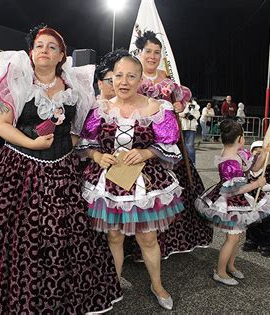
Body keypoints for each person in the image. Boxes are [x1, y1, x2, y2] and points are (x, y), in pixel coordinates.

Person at [0, 26, 122, 314]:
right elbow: (1, 125)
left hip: (62, 172)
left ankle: (60, 301)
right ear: (31, 53)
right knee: (14, 238)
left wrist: (66, 148)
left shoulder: (75, 88)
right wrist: (33, 143)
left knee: (62, 235)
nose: (44, 50)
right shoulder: (16, 82)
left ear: (61, 56)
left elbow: (77, 128)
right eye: (39, 46)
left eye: (52, 47)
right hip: (18, 168)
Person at [79, 52, 184, 310]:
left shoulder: (156, 108)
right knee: (113, 237)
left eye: (131, 76)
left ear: (140, 80)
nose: (124, 81)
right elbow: (86, 143)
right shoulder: (100, 108)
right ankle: (113, 283)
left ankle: (156, 284)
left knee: (148, 238)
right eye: (118, 76)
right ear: (111, 78)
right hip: (108, 183)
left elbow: (170, 145)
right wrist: (98, 155)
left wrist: (147, 152)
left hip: (145, 183)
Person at [134, 30, 213, 258]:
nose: (152, 56)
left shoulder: (167, 79)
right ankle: (140, 244)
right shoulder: (133, 75)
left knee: (175, 190)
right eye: (148, 51)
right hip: (141, 139)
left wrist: (179, 106)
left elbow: (180, 98)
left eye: (157, 52)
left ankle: (171, 242)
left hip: (170, 141)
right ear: (140, 52)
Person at [195, 120, 270, 286]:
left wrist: (264, 153)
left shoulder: (238, 152)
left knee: (236, 237)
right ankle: (220, 272)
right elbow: (234, 190)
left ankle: (231, 266)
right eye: (243, 135)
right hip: (228, 201)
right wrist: (256, 184)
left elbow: (253, 167)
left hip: (235, 201)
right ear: (240, 138)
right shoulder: (230, 161)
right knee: (232, 239)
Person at [243, 141, 270, 257]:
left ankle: (266, 245)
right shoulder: (248, 170)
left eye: (262, 154)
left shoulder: (269, 169)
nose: (259, 156)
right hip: (250, 202)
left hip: (265, 204)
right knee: (252, 224)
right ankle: (252, 241)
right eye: (256, 153)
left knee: (266, 226)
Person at [179, 99, 200, 165]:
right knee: (181, 145)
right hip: (181, 127)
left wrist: (190, 112)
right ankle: (183, 162)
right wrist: (183, 114)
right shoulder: (180, 103)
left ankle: (192, 163)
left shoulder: (195, 105)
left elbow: (196, 115)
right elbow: (179, 113)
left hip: (191, 127)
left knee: (189, 145)